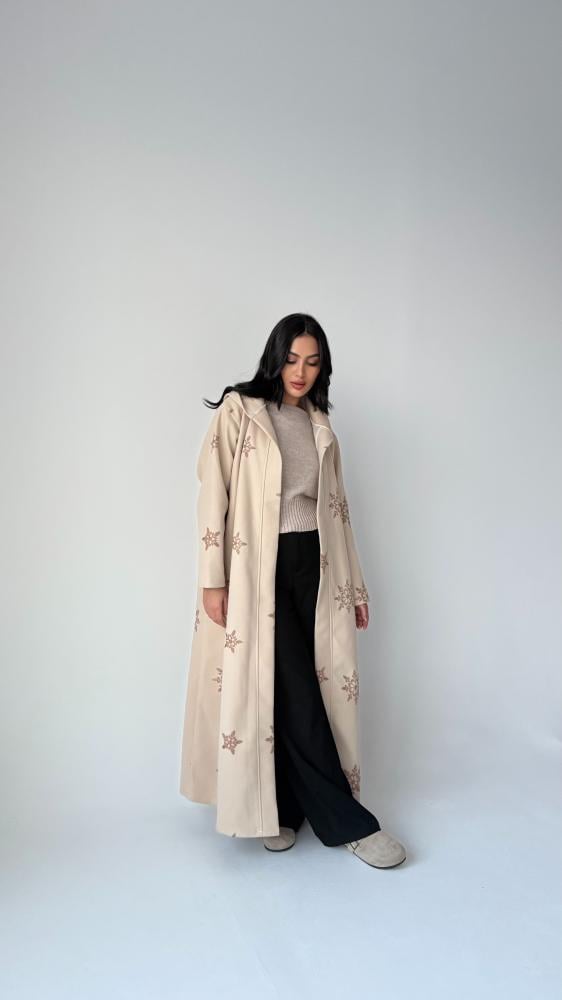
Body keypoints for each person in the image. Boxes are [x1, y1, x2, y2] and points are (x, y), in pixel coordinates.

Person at [180, 313, 406, 869]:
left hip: (315, 565)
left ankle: (282, 806)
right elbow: (213, 496)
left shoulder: (319, 424)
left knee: (296, 688)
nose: (300, 372)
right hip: (258, 567)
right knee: (295, 691)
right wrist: (213, 579)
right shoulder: (241, 411)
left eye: (312, 362)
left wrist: (355, 587)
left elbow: (338, 512)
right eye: (291, 359)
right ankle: (348, 823)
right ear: (275, 358)